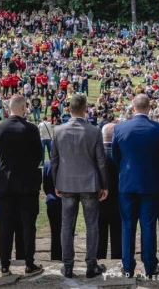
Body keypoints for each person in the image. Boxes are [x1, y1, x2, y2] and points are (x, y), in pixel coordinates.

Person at [50, 93, 108, 279]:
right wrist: (104, 184)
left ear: (69, 110)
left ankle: (68, 266)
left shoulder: (59, 130)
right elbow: (101, 161)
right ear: (85, 109)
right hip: (89, 183)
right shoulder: (94, 130)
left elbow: (54, 160)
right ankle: (91, 265)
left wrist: (56, 182)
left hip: (67, 183)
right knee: (92, 225)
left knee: (67, 226)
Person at [112, 94, 159, 278]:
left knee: (128, 225)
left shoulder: (120, 128)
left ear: (133, 107)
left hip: (128, 183)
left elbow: (116, 156)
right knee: (148, 225)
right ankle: (150, 265)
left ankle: (127, 265)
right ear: (149, 108)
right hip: (150, 184)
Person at [0, 95, 44, 277]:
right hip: (27, 183)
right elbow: (39, 156)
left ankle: (4, 265)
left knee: (5, 225)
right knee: (28, 224)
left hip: (5, 182)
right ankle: (29, 263)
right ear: (23, 108)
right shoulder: (31, 129)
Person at [98, 122, 122, 260]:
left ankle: (99, 259)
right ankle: (117, 260)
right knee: (117, 236)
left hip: (99, 200)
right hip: (118, 200)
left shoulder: (96, 155)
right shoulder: (120, 155)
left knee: (99, 235)